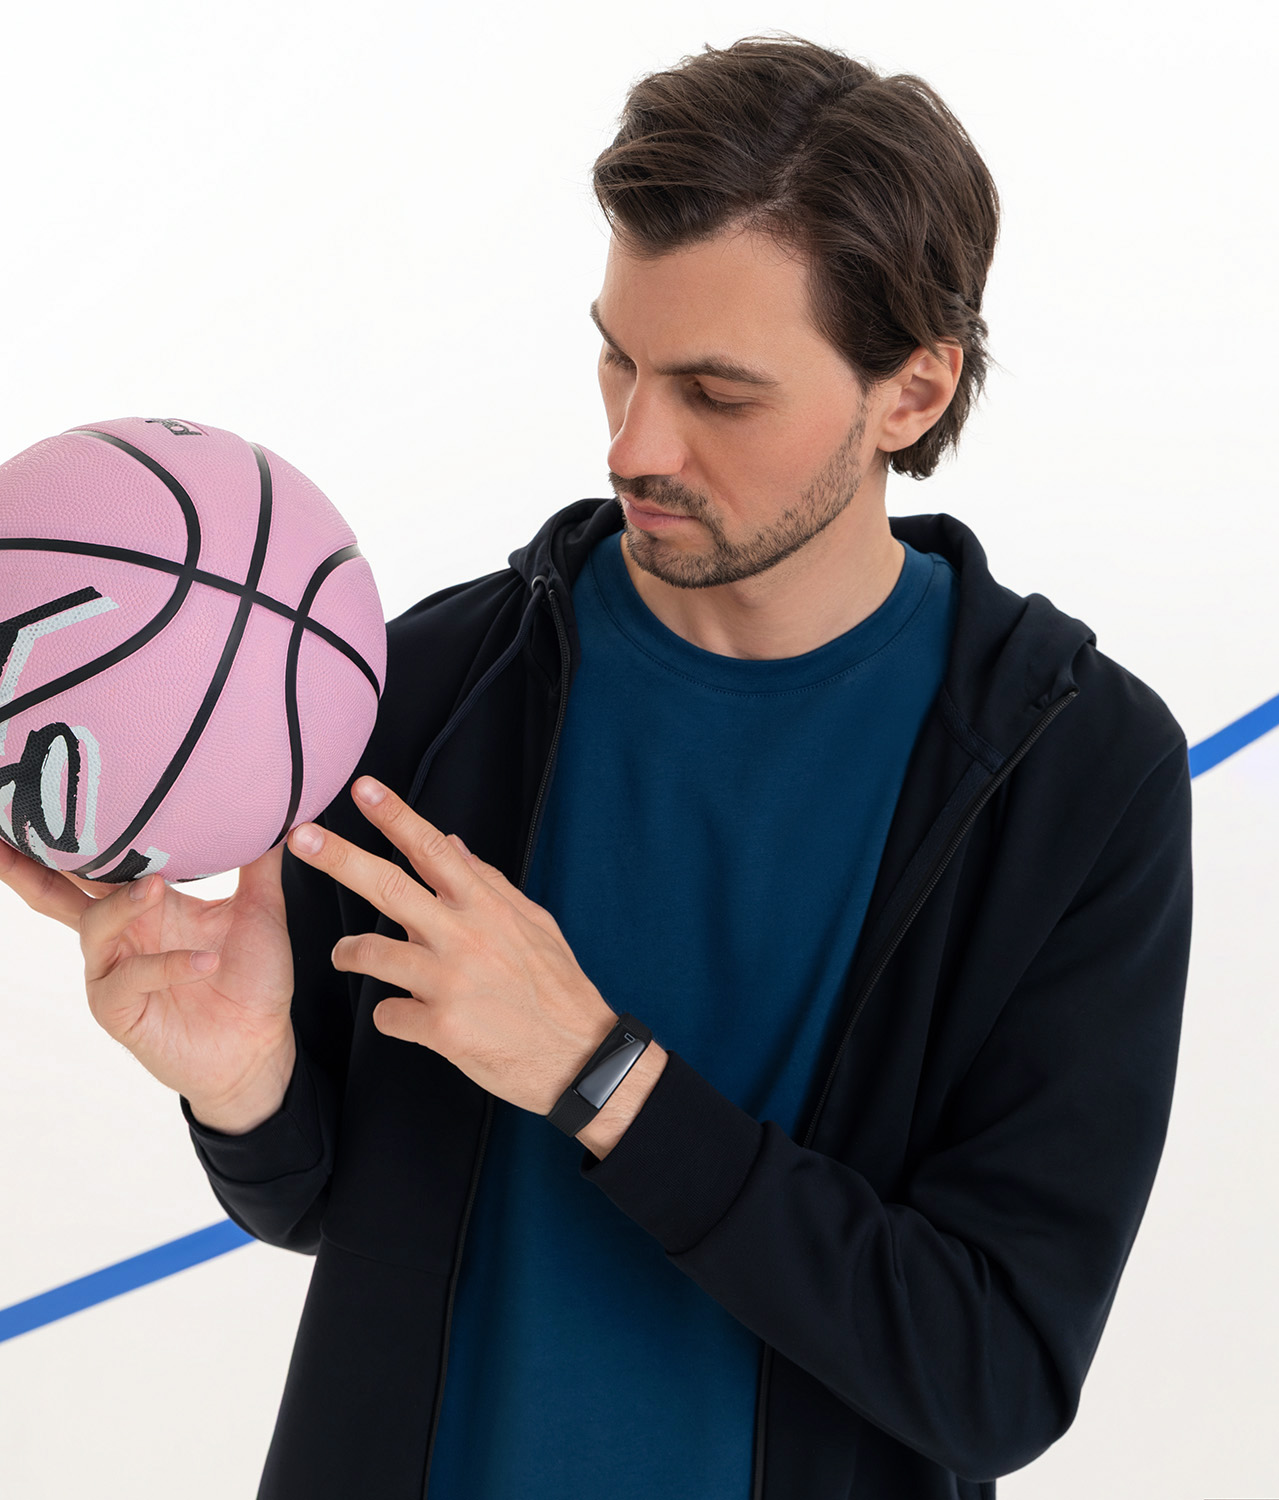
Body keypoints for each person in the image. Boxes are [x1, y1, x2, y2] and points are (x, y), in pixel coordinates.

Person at [0, 33, 1193, 1500]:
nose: (634, 443)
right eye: (618, 358)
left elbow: (992, 1371)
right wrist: (248, 1085)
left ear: (914, 390)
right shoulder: (426, 689)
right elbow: (332, 1208)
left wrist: (597, 1073)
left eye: (718, 393)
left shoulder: (1072, 775)